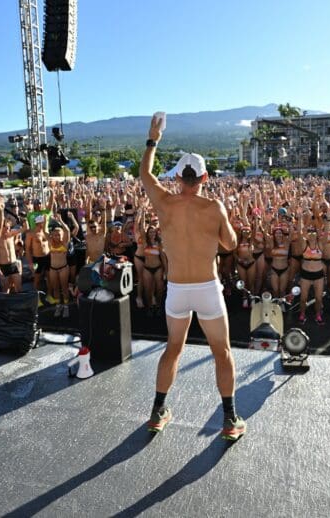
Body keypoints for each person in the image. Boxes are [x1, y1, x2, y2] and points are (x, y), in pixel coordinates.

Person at [139, 114, 245, 441]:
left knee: (173, 347)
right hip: (206, 288)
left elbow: (144, 173)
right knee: (221, 352)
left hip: (177, 289)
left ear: (177, 178)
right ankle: (230, 419)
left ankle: (158, 412)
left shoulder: (164, 202)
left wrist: (153, 139)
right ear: (204, 177)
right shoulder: (214, 207)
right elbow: (231, 245)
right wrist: (223, 222)